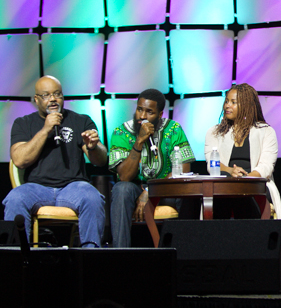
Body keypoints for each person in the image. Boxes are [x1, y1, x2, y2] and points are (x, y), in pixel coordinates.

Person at [3, 76, 107, 247]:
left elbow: (100, 160)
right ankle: (19, 259)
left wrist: (94, 147)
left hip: (73, 187)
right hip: (36, 188)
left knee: (92, 196)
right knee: (15, 198)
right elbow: (20, 160)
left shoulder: (81, 120)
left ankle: (90, 258)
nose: (52, 99)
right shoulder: (23, 123)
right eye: (46, 95)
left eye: (57, 94)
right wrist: (45, 130)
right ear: (36, 100)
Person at [108, 89, 195, 247]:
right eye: (139, 109)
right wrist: (139, 142)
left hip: (165, 190)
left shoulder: (173, 129)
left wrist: (150, 191)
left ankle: (184, 252)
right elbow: (124, 177)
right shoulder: (121, 132)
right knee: (121, 189)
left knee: (186, 190)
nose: (142, 116)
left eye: (149, 112)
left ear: (160, 114)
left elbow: (183, 170)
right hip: (134, 189)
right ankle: (120, 256)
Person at [204, 83, 278, 219]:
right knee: (224, 187)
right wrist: (230, 171)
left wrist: (245, 180)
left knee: (241, 191)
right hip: (224, 185)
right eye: (226, 101)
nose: (227, 106)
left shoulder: (266, 131)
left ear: (247, 106)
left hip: (255, 184)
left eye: (233, 102)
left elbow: (266, 167)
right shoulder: (214, 132)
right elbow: (212, 164)